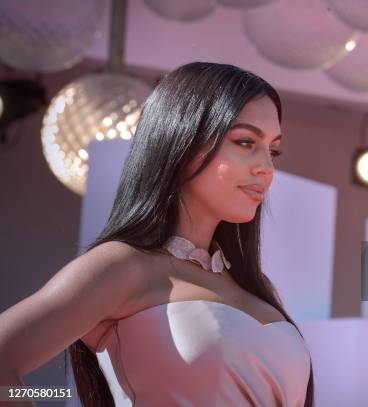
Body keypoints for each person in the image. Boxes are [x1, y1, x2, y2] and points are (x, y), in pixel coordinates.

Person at [0, 62, 314, 407]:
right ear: (182, 140)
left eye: (274, 150)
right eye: (245, 142)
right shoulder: (124, 266)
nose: (266, 168)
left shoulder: (258, 286)